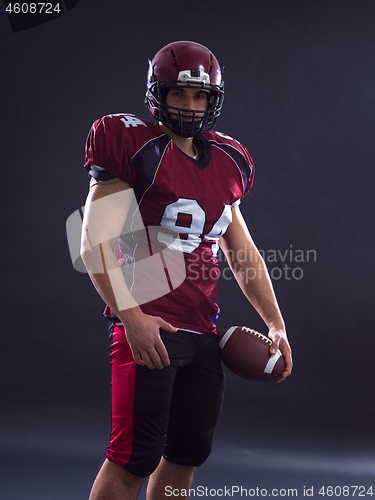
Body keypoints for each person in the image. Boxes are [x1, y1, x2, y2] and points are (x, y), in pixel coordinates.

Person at [80, 40, 292, 500]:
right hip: (150, 326)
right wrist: (131, 317)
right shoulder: (131, 144)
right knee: (132, 458)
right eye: (179, 94)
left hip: (203, 332)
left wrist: (275, 323)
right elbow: (92, 242)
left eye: (200, 97)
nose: (191, 107)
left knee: (185, 456)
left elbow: (244, 253)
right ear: (159, 94)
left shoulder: (228, 160)